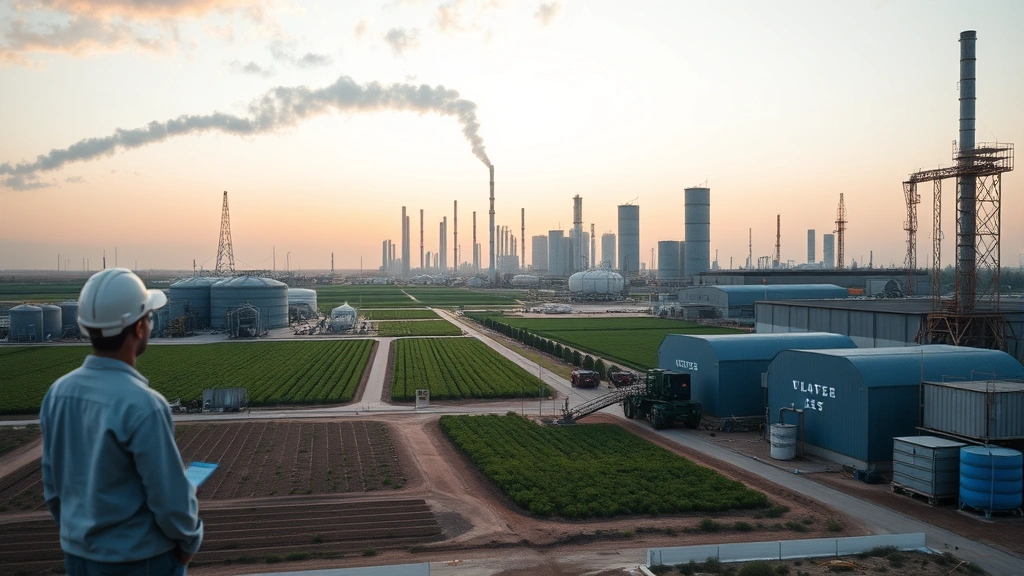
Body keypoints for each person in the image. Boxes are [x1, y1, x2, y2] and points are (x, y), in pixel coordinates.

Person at [40, 268, 203, 575]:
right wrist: (188, 545)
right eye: (149, 317)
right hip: (141, 561)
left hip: (78, 558)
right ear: (139, 328)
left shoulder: (58, 394)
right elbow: (170, 502)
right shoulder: (145, 405)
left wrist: (80, 541)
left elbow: (53, 488)